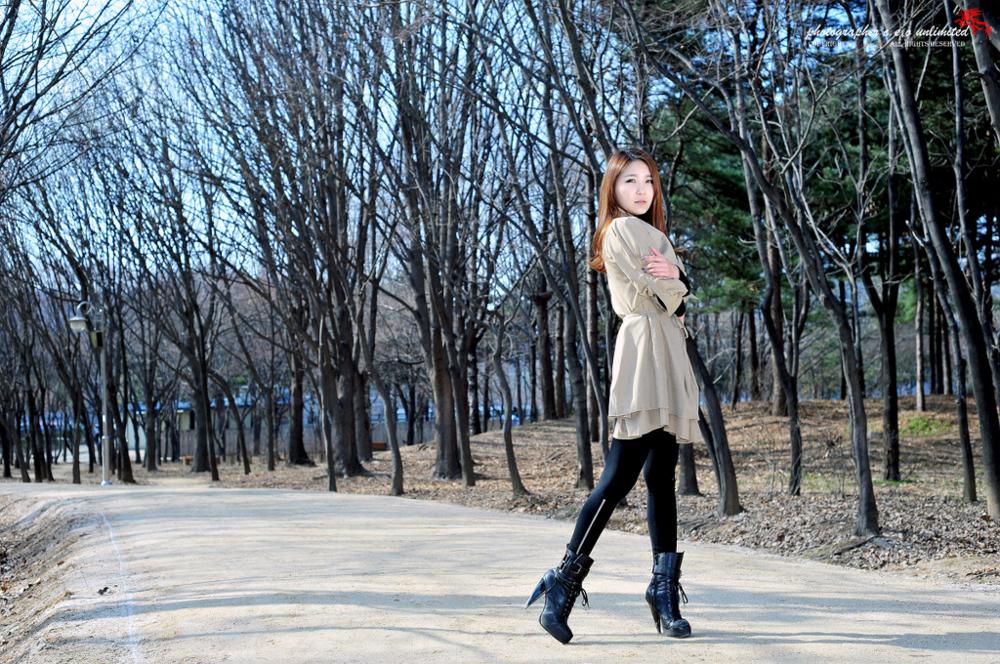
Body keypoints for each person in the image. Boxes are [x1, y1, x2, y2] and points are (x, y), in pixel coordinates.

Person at [524, 148, 702, 644]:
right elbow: (659, 290)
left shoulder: (657, 235)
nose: (642, 189)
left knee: (661, 477)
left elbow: (678, 299)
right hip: (644, 350)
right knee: (620, 475)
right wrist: (677, 281)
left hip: (668, 349)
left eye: (648, 180)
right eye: (630, 181)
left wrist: (677, 282)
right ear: (613, 189)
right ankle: (562, 579)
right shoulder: (620, 230)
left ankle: (663, 593)